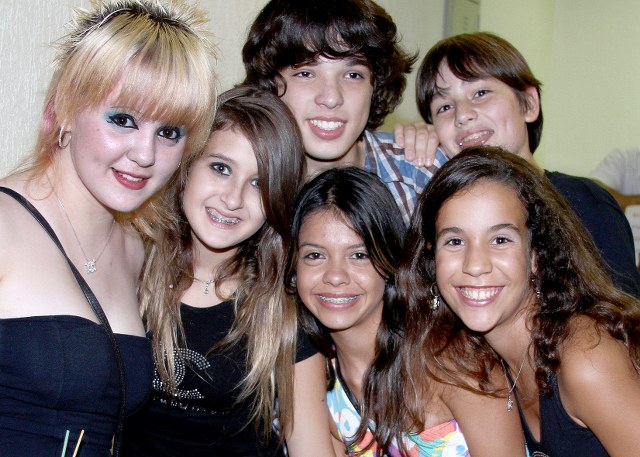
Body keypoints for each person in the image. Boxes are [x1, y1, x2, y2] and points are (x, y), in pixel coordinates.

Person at [0, 1, 216, 456]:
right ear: (65, 108)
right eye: (122, 119)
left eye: (169, 132)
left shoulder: (137, 248)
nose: (145, 154)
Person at [122, 85, 336, 456]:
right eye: (221, 168)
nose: (233, 199)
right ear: (187, 165)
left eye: (258, 183)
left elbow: (311, 449)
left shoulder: (284, 307)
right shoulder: (128, 264)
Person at [401, 145, 640, 456]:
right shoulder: (483, 356)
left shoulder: (584, 354)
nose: (475, 265)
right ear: (432, 259)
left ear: (536, 255)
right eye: (455, 241)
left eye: (500, 239)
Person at [285, 166, 527, 456]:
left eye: (359, 255)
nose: (335, 276)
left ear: (389, 261)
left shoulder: (450, 361)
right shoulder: (320, 374)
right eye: (314, 255)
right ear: (294, 267)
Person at [242, 0, 449, 224]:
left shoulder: (422, 178)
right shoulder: (247, 190)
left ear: (375, 86)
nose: (331, 98)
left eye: (353, 75)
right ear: (271, 84)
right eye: (305, 73)